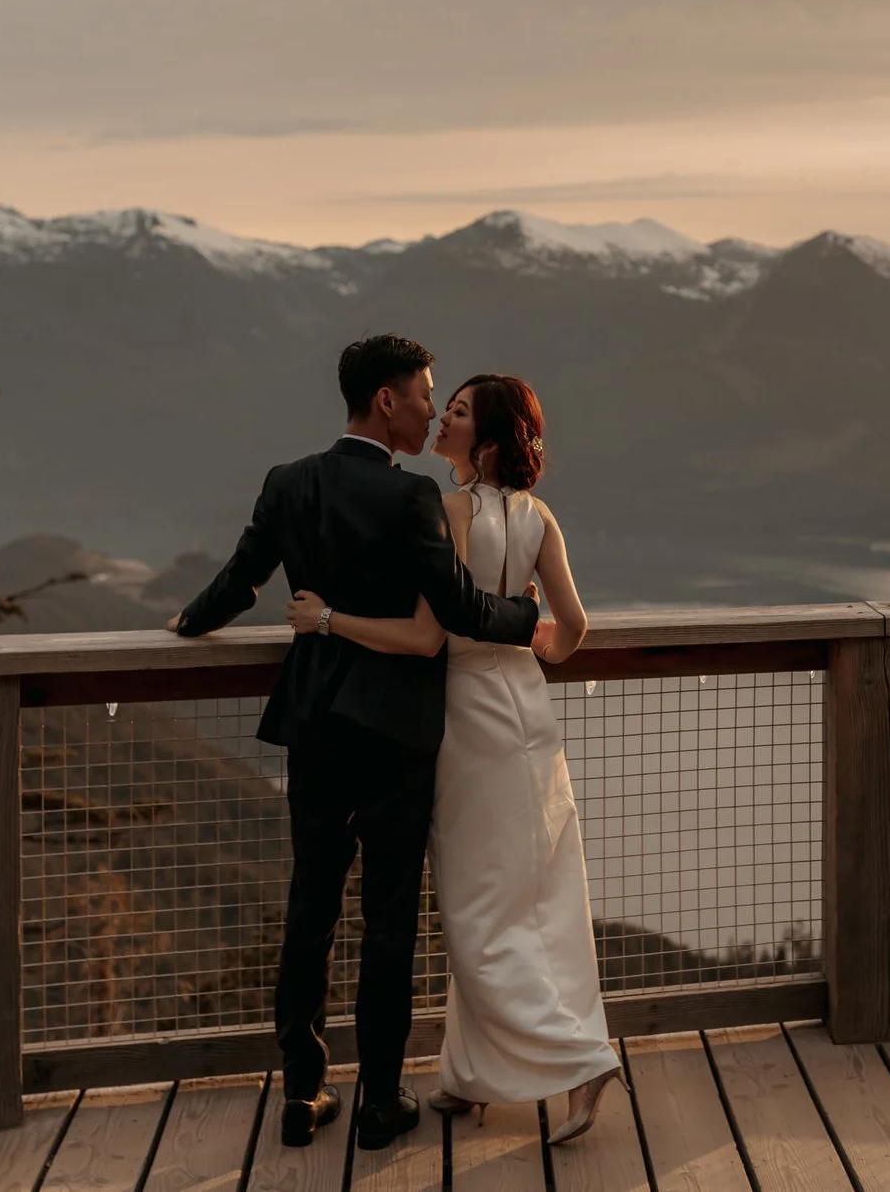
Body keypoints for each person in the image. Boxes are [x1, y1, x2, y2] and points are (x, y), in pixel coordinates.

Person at [169, 335, 539, 1152]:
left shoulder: (288, 481)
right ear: (386, 400)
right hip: (397, 736)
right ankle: (378, 1098)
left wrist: (188, 623)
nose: (429, 408)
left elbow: (240, 579)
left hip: (315, 726)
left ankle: (303, 1091)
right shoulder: (410, 501)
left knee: (311, 907)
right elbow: (462, 608)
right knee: (389, 919)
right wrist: (530, 616)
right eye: (423, 394)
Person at [283, 373, 624, 1147]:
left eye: (459, 413)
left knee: (475, 911)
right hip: (527, 711)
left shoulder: (451, 511)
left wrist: (327, 617)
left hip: (469, 717)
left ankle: (582, 1058)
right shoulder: (540, 518)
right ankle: (472, 1074)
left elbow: (424, 638)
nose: (440, 418)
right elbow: (571, 626)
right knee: (535, 898)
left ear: (489, 442)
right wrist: (531, 647)